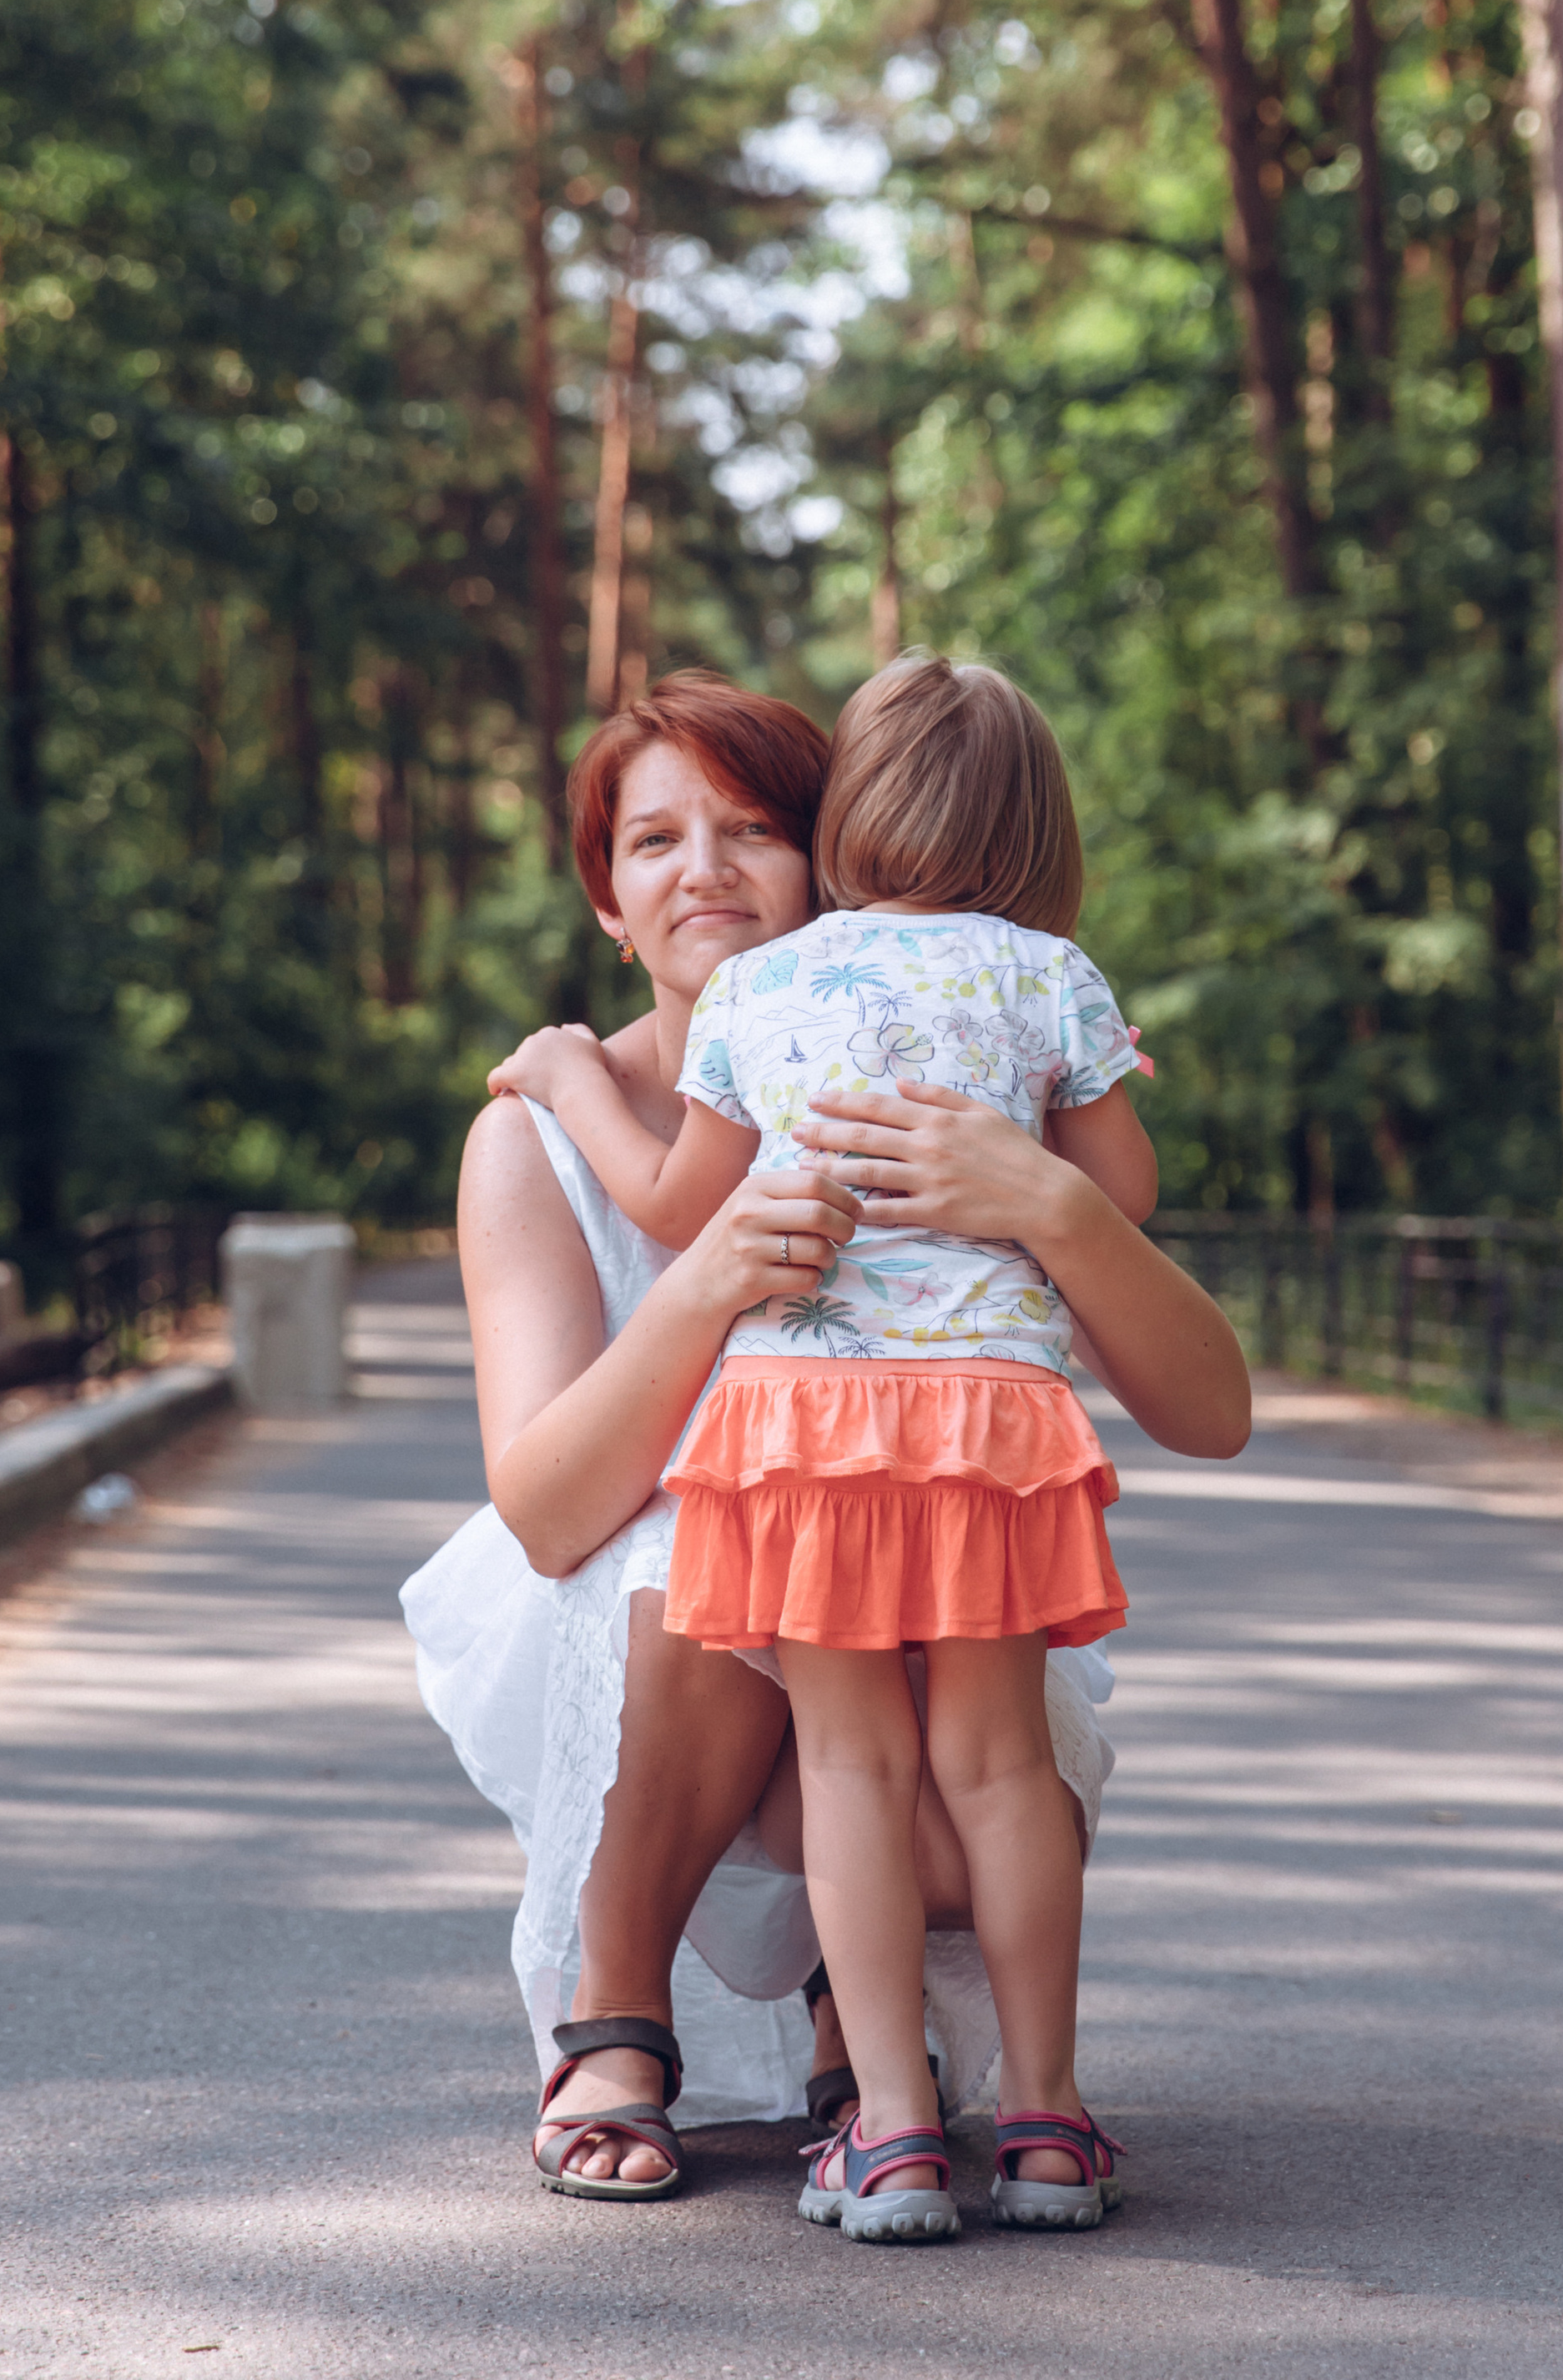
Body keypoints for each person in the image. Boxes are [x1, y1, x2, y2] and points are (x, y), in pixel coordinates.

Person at [490, 656, 1250, 2241]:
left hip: (815, 1467)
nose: (705, 869)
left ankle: (884, 2096)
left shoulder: (773, 1012)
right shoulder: (1042, 980)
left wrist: (1042, 1199)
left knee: (860, 1751)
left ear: (831, 841)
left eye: (752, 826)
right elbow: (551, 1513)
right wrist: (689, 1237)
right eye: (653, 842)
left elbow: (1212, 1405)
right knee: (753, 1610)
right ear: (607, 903)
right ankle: (660, 2022)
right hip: (903, 1490)